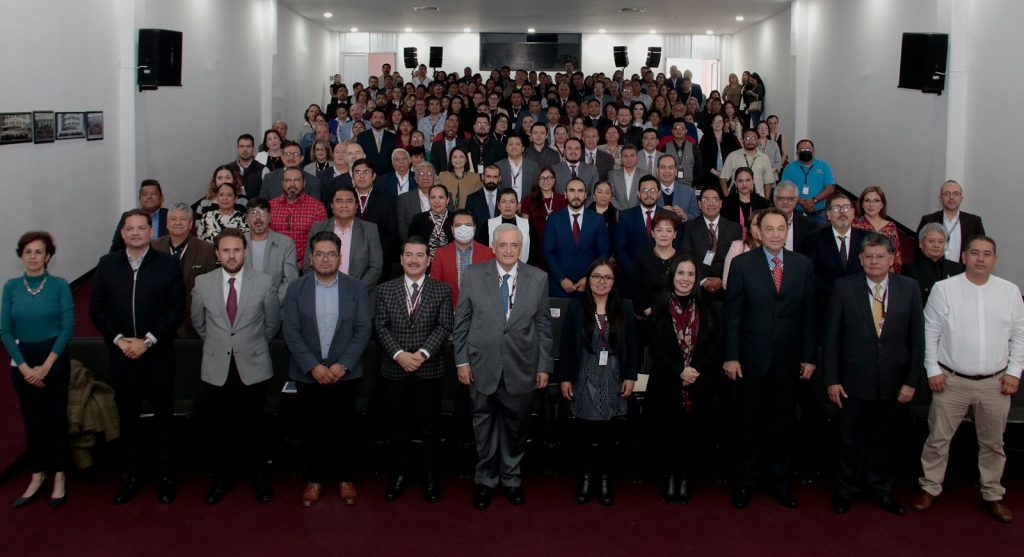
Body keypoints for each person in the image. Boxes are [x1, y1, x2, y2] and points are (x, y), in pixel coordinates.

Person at [913, 235, 1023, 523]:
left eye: (987, 254)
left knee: (993, 443)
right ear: (964, 257)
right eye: (974, 253)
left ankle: (993, 493)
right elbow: (929, 333)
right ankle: (930, 487)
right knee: (938, 439)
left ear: (995, 259)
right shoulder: (944, 289)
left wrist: (1014, 372)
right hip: (951, 381)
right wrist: (932, 370)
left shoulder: (1010, 291)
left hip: (996, 383)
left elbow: (1019, 336)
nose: (980, 258)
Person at [454, 223, 554, 510]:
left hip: (522, 366)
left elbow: (543, 325)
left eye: (514, 245)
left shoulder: (538, 278)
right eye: (503, 245)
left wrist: (544, 366)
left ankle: (511, 478)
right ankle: (485, 479)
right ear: (493, 247)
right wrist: (462, 361)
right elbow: (462, 322)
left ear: (521, 248)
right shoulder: (473, 275)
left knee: (515, 427)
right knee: (483, 425)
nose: (509, 250)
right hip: (481, 365)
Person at [90, 209, 185, 505]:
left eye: (141, 228)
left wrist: (148, 341)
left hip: (158, 354)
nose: (135, 233)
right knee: (128, 416)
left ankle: (165, 475)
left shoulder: (167, 264)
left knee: (163, 416)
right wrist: (120, 340)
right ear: (122, 233)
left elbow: (175, 309)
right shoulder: (106, 264)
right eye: (129, 228)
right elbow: (97, 308)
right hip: (122, 355)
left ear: (150, 232)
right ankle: (132, 475)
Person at [723, 207, 816, 509]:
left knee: (782, 424)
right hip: (751, 359)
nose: (776, 234)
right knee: (748, 424)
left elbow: (809, 316)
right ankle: (744, 482)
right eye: (769, 229)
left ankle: (779, 482)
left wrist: (809, 356)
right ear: (758, 232)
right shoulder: (742, 264)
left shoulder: (803, 265)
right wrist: (732, 356)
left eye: (781, 228)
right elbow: (733, 315)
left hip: (789, 360)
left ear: (787, 231)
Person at [824, 233, 923, 516]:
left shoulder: (909, 288)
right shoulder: (844, 287)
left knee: (884, 440)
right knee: (848, 440)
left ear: (892, 259)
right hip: (852, 382)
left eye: (880, 256)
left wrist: (911, 381)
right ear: (860, 259)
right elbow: (831, 338)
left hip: (894, 382)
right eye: (868, 256)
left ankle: (881, 488)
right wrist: (832, 379)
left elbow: (917, 339)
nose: (874, 261)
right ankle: (846, 490)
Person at [282, 231, 372, 508]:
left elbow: (363, 330)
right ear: (311, 258)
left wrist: (342, 365)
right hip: (308, 373)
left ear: (339, 258)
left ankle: (344, 478)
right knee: (312, 428)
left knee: (344, 427)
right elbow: (291, 331)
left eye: (331, 254)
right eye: (319, 254)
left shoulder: (356, 288)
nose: (325, 259)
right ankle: (315, 479)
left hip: (345, 372)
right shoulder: (296, 288)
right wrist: (312, 366)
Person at [190, 229, 280, 505]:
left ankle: (259, 478)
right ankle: (222, 479)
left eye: (237, 250)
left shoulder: (263, 282)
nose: (231, 256)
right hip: (217, 365)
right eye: (226, 250)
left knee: (256, 426)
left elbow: (271, 323)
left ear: (245, 252)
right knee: (221, 427)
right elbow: (198, 322)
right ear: (217, 254)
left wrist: (248, 344)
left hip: (253, 363)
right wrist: (221, 344)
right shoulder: (202, 283)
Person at [374, 237, 454, 503]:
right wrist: (399, 355)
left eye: (420, 255)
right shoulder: (385, 290)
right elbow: (380, 326)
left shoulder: (441, 290)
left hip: (428, 370)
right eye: (408, 254)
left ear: (428, 260)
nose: (414, 260)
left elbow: (444, 326)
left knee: (429, 428)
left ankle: (431, 477)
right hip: (394, 370)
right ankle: (399, 475)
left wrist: (421, 355)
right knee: (397, 428)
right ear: (401, 259)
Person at [2, 231, 73, 508]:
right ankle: (37, 473)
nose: (33, 257)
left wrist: (46, 366)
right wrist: (24, 367)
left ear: (48, 257)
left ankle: (59, 474)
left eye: (39, 252)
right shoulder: (11, 287)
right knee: (32, 420)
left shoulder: (59, 285)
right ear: (21, 256)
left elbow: (67, 327)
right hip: (22, 361)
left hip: (53, 358)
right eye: (28, 252)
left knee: (56, 419)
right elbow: (5, 331)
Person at [558, 260, 637, 505]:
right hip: (584, 374)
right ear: (588, 279)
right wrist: (565, 377)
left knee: (608, 433)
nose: (602, 282)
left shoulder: (625, 307)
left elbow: (633, 345)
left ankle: (604, 478)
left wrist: (631, 376)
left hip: (613, 376)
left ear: (614, 281)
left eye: (607, 277)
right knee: (584, 431)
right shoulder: (576, 307)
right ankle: (585, 477)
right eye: (596, 276)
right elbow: (566, 344)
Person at [647, 255, 720, 503]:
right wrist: (679, 370)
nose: (685, 279)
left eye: (690, 274)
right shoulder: (660, 306)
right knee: (668, 430)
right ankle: (669, 476)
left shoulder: (708, 306)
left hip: (699, 380)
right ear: (672, 276)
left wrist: (694, 369)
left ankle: (687, 477)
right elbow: (655, 348)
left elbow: (715, 344)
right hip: (667, 379)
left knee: (693, 431)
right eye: (681, 273)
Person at [151, 203, 218, 338]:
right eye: (173, 219)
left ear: (191, 224)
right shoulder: (153, 247)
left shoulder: (206, 249)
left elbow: (212, 289)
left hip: (193, 323)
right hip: (159, 322)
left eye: (183, 219)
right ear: (167, 223)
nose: (178, 223)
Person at [304, 187, 383, 297]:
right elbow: (308, 265)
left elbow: (375, 267)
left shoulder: (370, 230)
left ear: (356, 206)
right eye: (339, 201)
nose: (344, 205)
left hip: (359, 294)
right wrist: (324, 288)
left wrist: (356, 290)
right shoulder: (318, 228)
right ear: (332, 206)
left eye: (349, 201)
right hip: (323, 293)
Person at [801, 192, 866, 323]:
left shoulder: (867, 238)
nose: (842, 212)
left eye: (846, 207)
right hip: (824, 307)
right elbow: (808, 273)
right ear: (828, 215)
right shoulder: (813, 239)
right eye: (836, 208)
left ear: (853, 212)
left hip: (860, 306)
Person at [544, 179, 611, 298]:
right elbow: (548, 252)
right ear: (565, 194)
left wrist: (590, 278)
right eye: (572, 191)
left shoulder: (597, 219)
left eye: (580, 191)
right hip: (559, 287)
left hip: (589, 287)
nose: (576, 195)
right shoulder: (553, 219)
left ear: (585, 195)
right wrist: (561, 279)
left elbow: (603, 252)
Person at [681, 187, 742, 300]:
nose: (711, 203)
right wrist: (702, 280)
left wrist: (722, 280)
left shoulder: (735, 228)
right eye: (706, 200)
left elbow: (737, 262)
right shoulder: (688, 227)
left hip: (726, 290)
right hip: (697, 288)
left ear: (721, 203)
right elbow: (686, 256)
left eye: (715, 199)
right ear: (699, 204)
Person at [430, 210, 495, 308]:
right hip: (449, 310)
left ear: (474, 228)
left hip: (480, 311)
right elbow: (435, 286)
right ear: (452, 229)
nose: (463, 229)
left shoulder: (488, 253)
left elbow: (492, 285)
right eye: (458, 225)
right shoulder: (440, 254)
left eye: (468, 225)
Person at [268, 167, 327, 271]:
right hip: (275, 266)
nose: (292, 184)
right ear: (282, 184)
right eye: (288, 180)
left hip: (307, 268)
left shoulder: (317, 207)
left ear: (304, 183)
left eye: (297, 180)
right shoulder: (270, 206)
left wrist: (303, 264)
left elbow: (321, 241)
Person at [915, 180, 985, 264]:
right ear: (940, 199)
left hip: (963, 270)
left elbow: (981, 248)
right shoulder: (928, 220)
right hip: (933, 269)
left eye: (955, 194)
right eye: (946, 194)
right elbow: (918, 248)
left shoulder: (974, 222)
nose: (951, 197)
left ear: (961, 198)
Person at [243, 197, 298, 304]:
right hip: (244, 304)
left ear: (270, 218)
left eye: (263, 213)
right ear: (246, 218)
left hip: (276, 304)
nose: (258, 217)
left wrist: (273, 303)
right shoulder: (238, 242)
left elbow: (290, 279)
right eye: (253, 213)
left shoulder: (286, 243)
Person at [631, 212, 679, 323]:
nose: (663, 234)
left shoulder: (683, 258)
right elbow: (636, 288)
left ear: (675, 234)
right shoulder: (642, 257)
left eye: (668, 230)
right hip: (648, 318)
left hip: (678, 318)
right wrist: (650, 312)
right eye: (659, 230)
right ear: (652, 233)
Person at [901, 223, 964, 302]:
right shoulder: (910, 269)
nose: (936, 245)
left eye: (940, 242)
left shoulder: (957, 269)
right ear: (921, 243)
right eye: (931, 241)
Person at [779, 139, 835, 224]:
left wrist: (814, 200)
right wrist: (802, 203)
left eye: (808, 149)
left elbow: (830, 188)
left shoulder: (824, 166)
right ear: (797, 153)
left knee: (819, 232)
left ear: (814, 151)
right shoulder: (789, 168)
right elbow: (786, 189)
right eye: (802, 149)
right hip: (796, 212)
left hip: (819, 213)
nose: (805, 151)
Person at [852, 186, 902, 272]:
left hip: (886, 272)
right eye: (867, 200)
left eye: (876, 200)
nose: (871, 205)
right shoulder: (854, 224)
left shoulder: (890, 226)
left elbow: (896, 255)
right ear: (862, 204)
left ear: (882, 204)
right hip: (859, 271)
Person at [110, 180, 168, 252]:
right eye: (145, 194)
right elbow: (117, 246)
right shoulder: (128, 217)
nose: (149, 197)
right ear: (139, 199)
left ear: (162, 198)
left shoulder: (171, 216)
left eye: (153, 194)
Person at [719, 129, 775, 198]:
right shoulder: (733, 156)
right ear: (742, 140)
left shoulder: (764, 158)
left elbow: (768, 182)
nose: (750, 141)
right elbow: (722, 179)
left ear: (758, 140)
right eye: (747, 138)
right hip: (736, 199)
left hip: (758, 199)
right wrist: (727, 198)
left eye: (753, 138)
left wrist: (766, 201)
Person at [720, 167, 769, 238]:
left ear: (752, 182)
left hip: (757, 241)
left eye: (747, 180)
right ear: (735, 183)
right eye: (740, 181)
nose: (744, 183)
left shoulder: (762, 202)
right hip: (731, 241)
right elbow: (723, 227)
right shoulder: (727, 203)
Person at [409, 184, 455, 258]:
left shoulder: (455, 218)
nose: (437, 201)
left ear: (447, 200)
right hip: (425, 262)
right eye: (433, 197)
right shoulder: (418, 219)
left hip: (450, 261)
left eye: (441, 197)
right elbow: (412, 244)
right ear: (428, 199)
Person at [698, 114, 741, 190]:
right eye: (715, 121)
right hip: (710, 175)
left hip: (729, 175)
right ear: (711, 124)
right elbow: (702, 157)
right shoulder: (705, 138)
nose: (717, 123)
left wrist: (728, 172)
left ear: (723, 124)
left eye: (720, 121)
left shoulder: (731, 137)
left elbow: (737, 154)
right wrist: (716, 173)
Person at [772, 181, 814, 253]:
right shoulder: (764, 221)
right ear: (774, 200)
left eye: (790, 199)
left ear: (796, 200)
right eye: (781, 198)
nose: (785, 202)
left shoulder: (806, 224)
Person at [496, 135, 539, 203]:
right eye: (510, 144)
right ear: (506, 148)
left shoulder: (533, 166)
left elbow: (537, 189)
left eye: (517, 144)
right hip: (505, 206)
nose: (514, 147)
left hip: (528, 205)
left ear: (523, 148)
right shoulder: (498, 166)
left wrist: (526, 203)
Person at [356, 107, 400, 175]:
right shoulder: (362, 137)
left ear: (385, 121)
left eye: (381, 118)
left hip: (388, 174)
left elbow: (395, 157)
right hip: (368, 174)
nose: (378, 120)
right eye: (375, 117)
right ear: (370, 120)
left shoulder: (393, 137)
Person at [231, 133, 265, 199]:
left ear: (253, 149)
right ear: (237, 148)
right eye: (242, 146)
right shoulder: (229, 169)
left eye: (248, 146)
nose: (245, 150)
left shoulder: (263, 170)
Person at [609, 145, 642, 210]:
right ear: (621, 159)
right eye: (625, 156)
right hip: (619, 212)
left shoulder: (645, 174)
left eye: (632, 155)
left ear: (637, 158)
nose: (629, 159)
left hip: (639, 211)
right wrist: (620, 209)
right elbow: (610, 195)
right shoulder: (612, 175)